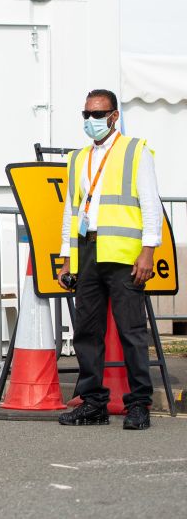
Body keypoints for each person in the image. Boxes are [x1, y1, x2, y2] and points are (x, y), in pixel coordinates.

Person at [56, 89, 161, 430]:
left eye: (98, 115)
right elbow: (70, 212)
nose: (91, 121)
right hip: (87, 251)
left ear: (114, 116)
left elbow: (150, 205)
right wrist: (65, 257)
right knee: (87, 332)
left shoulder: (135, 151)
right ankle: (93, 403)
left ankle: (139, 404)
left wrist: (148, 250)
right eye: (86, 115)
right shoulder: (78, 158)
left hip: (124, 254)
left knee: (131, 332)